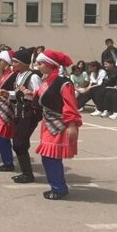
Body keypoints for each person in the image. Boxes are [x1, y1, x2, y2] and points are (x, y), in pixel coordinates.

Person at [33, 50, 83, 200]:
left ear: (49, 65)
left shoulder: (63, 83)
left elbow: (70, 105)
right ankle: (56, 185)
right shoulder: (47, 80)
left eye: (40, 63)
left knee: (51, 157)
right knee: (48, 156)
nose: (38, 66)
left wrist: (72, 125)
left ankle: (59, 188)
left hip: (59, 124)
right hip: (48, 123)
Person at [6, 48, 43, 183]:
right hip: (19, 111)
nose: (13, 64)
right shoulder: (18, 76)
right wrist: (8, 94)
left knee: (19, 143)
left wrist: (27, 92)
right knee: (19, 143)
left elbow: (40, 96)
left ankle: (28, 174)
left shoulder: (33, 77)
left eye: (15, 62)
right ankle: (25, 172)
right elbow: (18, 93)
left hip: (29, 113)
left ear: (23, 62)